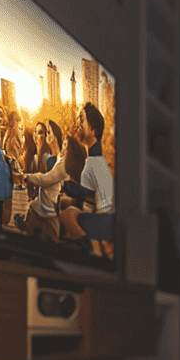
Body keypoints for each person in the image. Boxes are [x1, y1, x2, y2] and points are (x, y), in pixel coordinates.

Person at [60, 102, 114, 257]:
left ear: (92, 128)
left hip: (102, 224)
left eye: (81, 120)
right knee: (65, 205)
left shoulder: (97, 161)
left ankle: (90, 249)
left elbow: (101, 201)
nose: (77, 124)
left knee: (67, 214)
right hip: (96, 217)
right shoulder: (92, 158)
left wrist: (69, 186)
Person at [14, 119, 65, 241]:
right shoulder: (48, 157)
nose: (45, 135)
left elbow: (46, 179)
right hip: (37, 210)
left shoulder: (60, 161)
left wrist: (26, 177)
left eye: (48, 132)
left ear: (55, 137)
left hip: (50, 215)